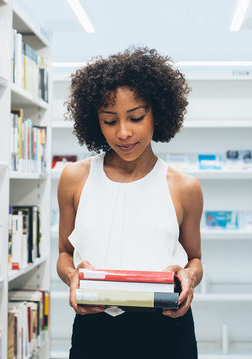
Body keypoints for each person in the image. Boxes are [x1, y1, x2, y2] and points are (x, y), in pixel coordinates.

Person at [56, 46, 204, 359]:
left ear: (158, 112)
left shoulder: (184, 187)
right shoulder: (74, 178)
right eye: (110, 121)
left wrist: (188, 277)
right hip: (94, 330)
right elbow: (64, 254)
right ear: (94, 121)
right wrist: (72, 277)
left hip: (166, 331)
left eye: (136, 117)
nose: (123, 133)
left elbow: (195, 260)